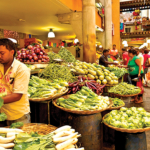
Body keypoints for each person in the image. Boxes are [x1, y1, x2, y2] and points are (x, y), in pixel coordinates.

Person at [0, 38, 30, 126]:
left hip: (18, 116)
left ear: (12, 52)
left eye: (2, 53)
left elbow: (17, 95)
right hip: (2, 114)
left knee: (20, 138)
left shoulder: (21, 69)